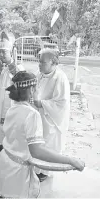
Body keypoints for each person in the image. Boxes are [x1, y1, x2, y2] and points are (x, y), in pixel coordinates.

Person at [0, 71, 85, 198]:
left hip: (4, 163)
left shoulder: (12, 108)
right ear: (32, 90)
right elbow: (37, 151)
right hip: (16, 172)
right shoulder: (32, 114)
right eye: (37, 88)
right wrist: (71, 160)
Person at [33, 48, 71, 182]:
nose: (39, 64)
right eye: (39, 61)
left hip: (52, 120)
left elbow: (62, 102)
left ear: (53, 63)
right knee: (38, 142)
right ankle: (37, 167)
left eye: (43, 62)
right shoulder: (40, 73)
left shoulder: (60, 78)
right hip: (40, 116)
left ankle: (45, 171)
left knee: (49, 145)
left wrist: (42, 103)